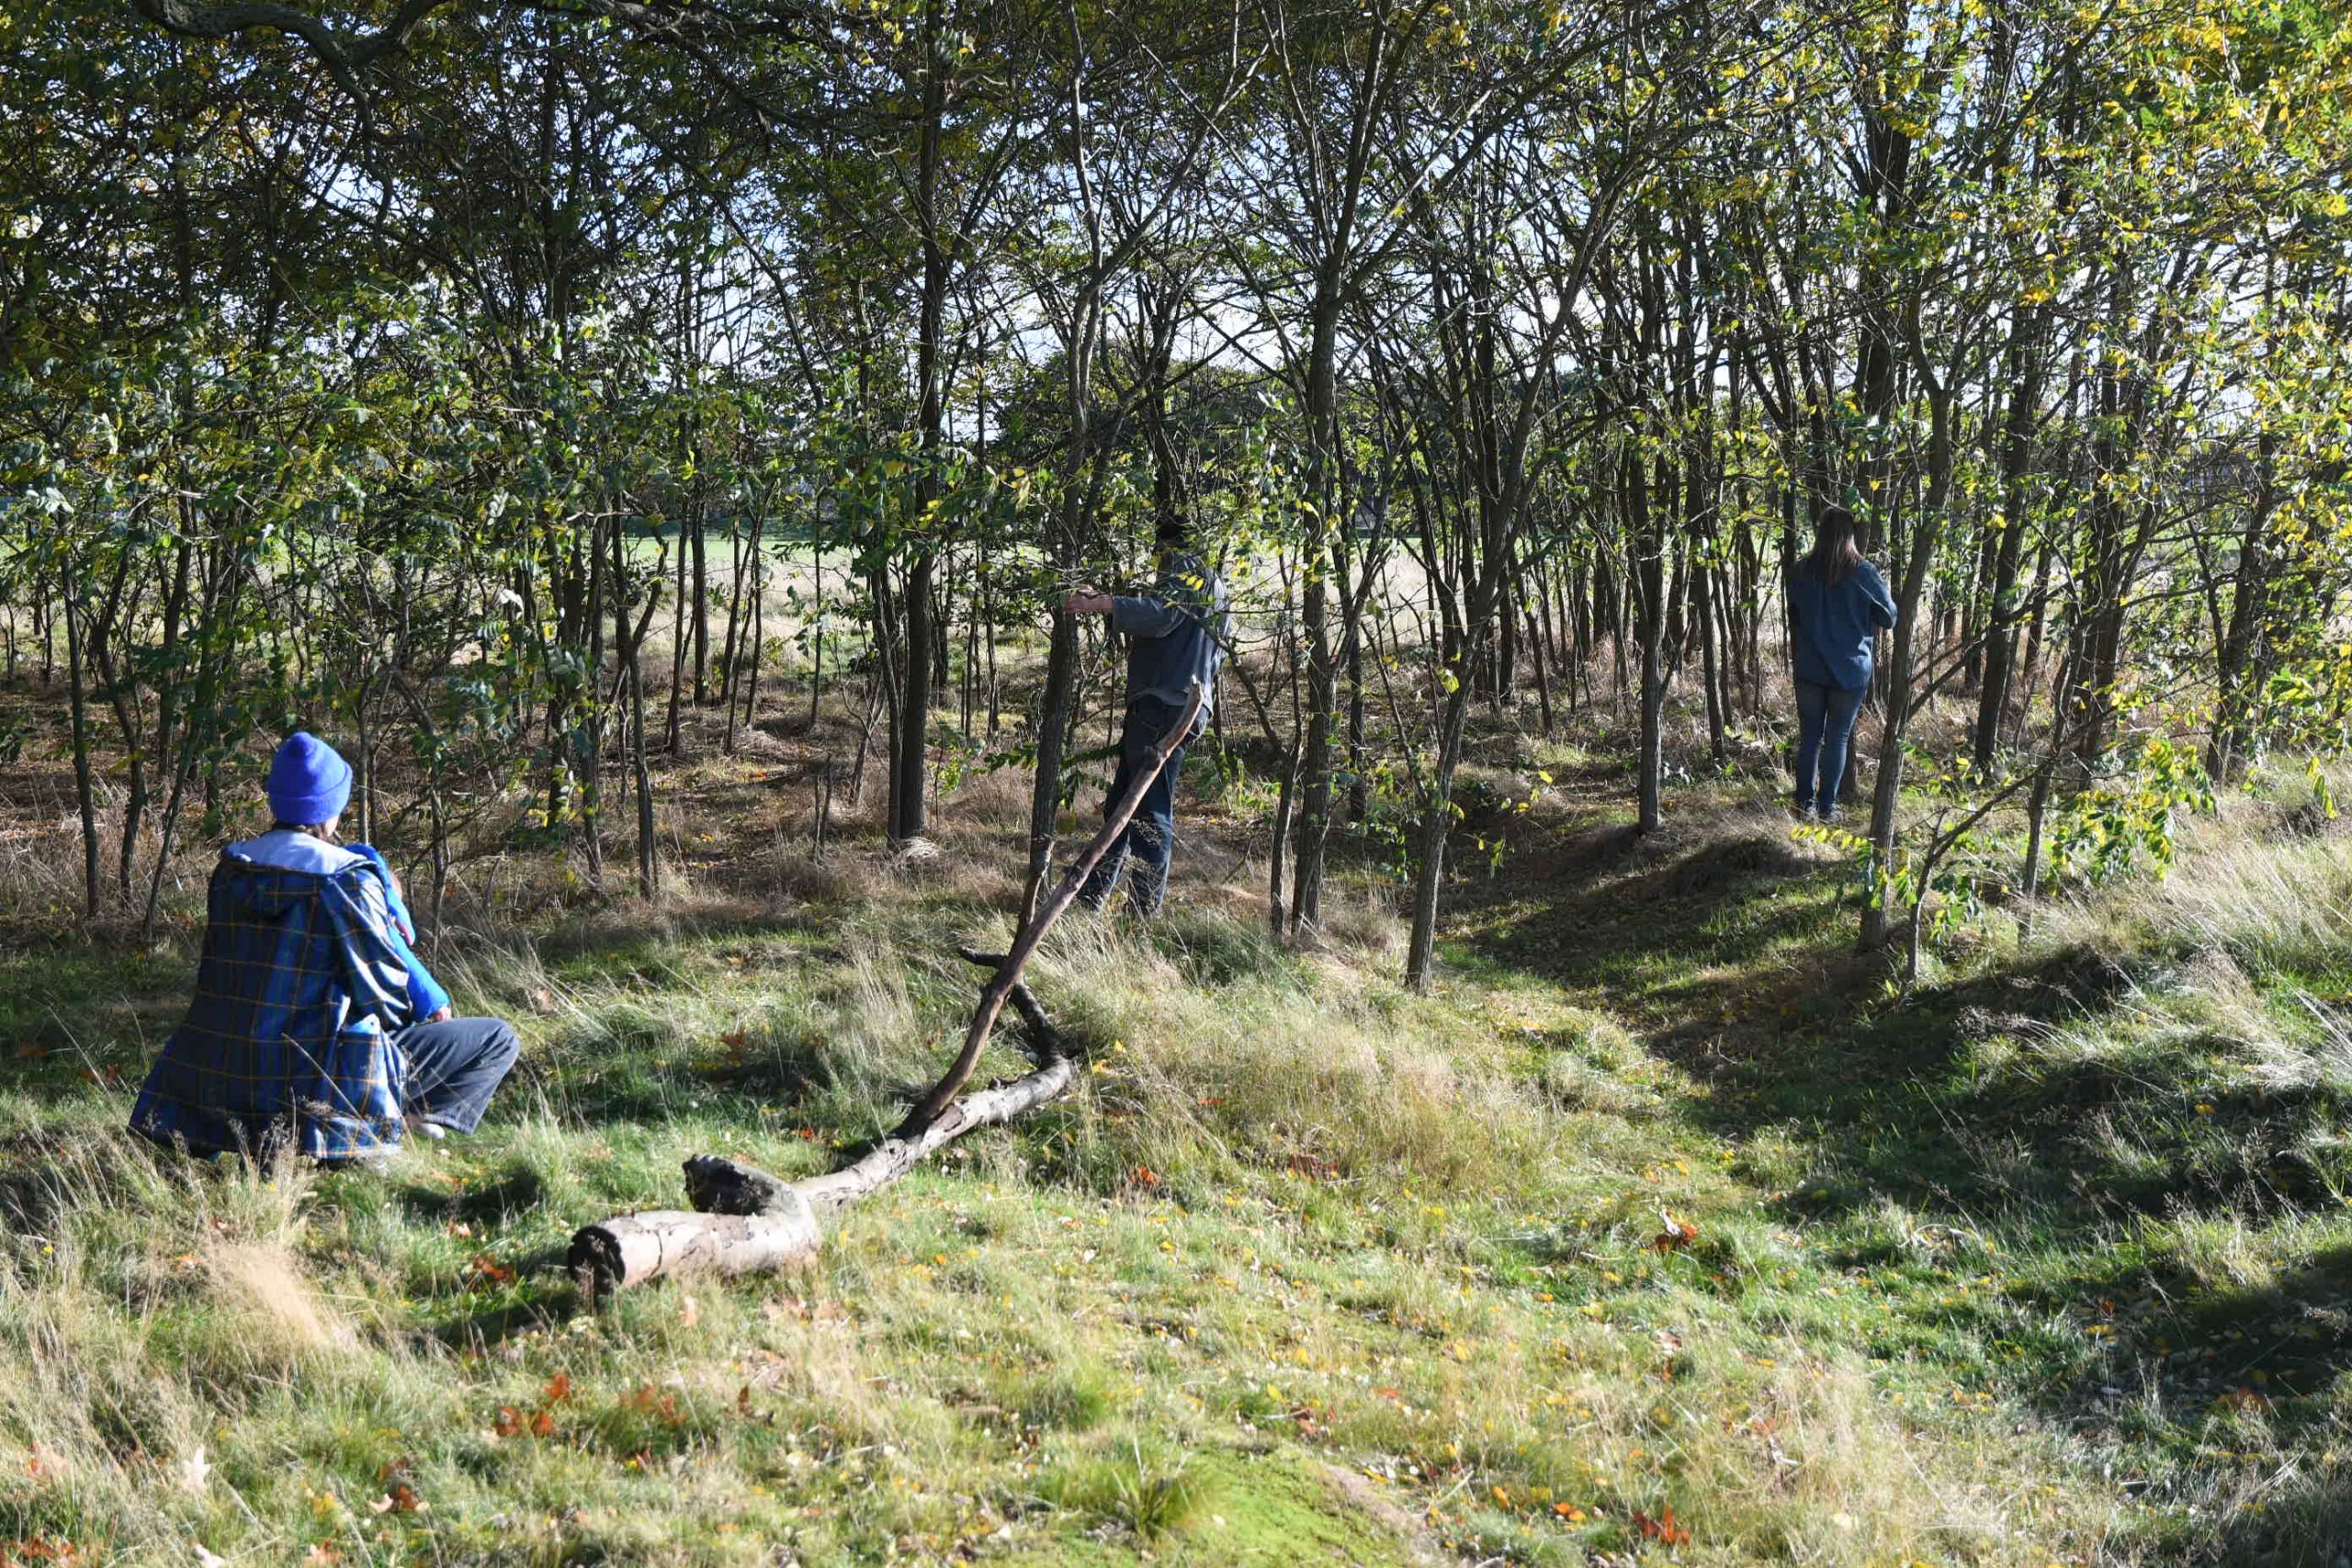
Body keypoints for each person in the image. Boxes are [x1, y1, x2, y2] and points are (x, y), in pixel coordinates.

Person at [130, 732, 520, 1161]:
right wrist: (423, 1009)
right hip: (315, 1076)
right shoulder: (345, 880)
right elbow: (385, 994)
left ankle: (373, 1129)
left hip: (220, 1068)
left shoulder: (232, 870)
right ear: (329, 807)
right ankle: (384, 1127)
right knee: (498, 1038)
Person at [1062, 525, 1229, 915]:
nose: (1159, 564)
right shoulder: (1217, 587)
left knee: (1149, 811)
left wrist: (1103, 603)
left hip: (1164, 706)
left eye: (1160, 553)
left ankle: (1142, 912)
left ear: (1168, 547)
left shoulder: (1188, 574)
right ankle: (1092, 898)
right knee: (1122, 805)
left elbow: (1161, 617)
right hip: (1178, 707)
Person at [1786, 506, 1897, 821]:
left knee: (1810, 736)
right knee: (1837, 738)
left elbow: (1794, 614)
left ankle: (1804, 804)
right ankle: (1826, 808)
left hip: (1810, 667)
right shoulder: (1863, 573)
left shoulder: (1800, 571)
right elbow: (1889, 617)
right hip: (1849, 670)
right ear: (1851, 536)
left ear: (1819, 533)